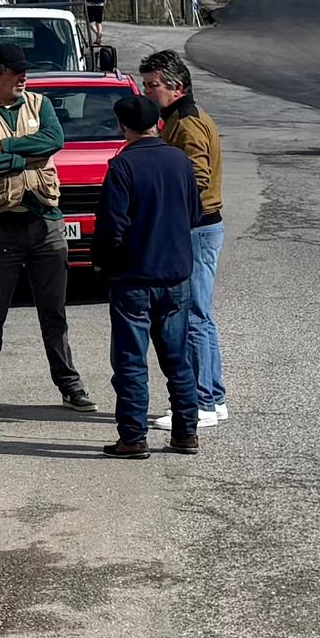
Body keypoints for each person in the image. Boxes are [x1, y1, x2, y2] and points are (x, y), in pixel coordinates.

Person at [0, 45, 92, 415]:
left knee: (54, 312)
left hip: (46, 222)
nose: (23, 77)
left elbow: (54, 141)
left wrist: (6, 148)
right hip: (2, 227)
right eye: (14, 71)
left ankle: (69, 385)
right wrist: (25, 157)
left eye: (23, 71)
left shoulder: (40, 104)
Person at [91, 91, 200, 457]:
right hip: (176, 275)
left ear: (123, 126)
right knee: (177, 358)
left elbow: (111, 227)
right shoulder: (181, 161)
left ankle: (133, 437)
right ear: (157, 123)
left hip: (134, 277)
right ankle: (186, 432)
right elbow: (195, 215)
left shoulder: (122, 166)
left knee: (131, 359)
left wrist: (101, 261)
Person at [138, 49, 228, 428]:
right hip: (200, 226)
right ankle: (212, 396)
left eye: (152, 85)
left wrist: (169, 218)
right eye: (145, 85)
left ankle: (203, 402)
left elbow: (196, 180)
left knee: (193, 315)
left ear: (175, 87)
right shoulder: (178, 117)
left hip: (196, 227)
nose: (147, 92)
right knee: (197, 314)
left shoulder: (187, 123)